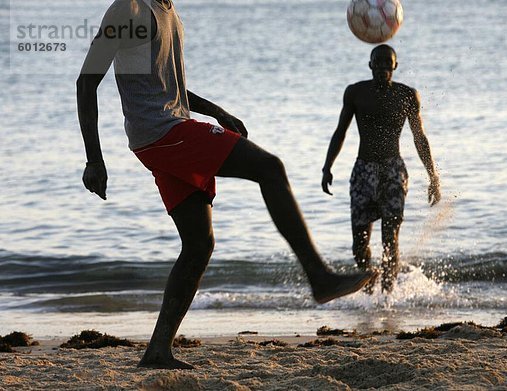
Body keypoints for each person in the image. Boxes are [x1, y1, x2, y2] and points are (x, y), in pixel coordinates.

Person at [77, 0, 374, 369]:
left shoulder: (165, 11)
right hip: (165, 134)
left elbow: (164, 87)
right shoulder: (130, 9)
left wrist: (216, 110)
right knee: (270, 167)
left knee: (200, 243)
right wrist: (94, 158)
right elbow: (87, 80)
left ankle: (158, 351)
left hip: (163, 133)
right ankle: (319, 276)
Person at [321, 44, 441, 294]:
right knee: (359, 243)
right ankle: (368, 291)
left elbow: (420, 137)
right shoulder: (356, 93)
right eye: (378, 63)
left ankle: (387, 296)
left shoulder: (407, 95)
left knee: (390, 239)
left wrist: (433, 176)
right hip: (363, 171)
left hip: (393, 172)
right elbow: (340, 132)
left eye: (388, 63)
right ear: (370, 65)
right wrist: (327, 166)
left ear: (395, 66)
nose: (383, 68)